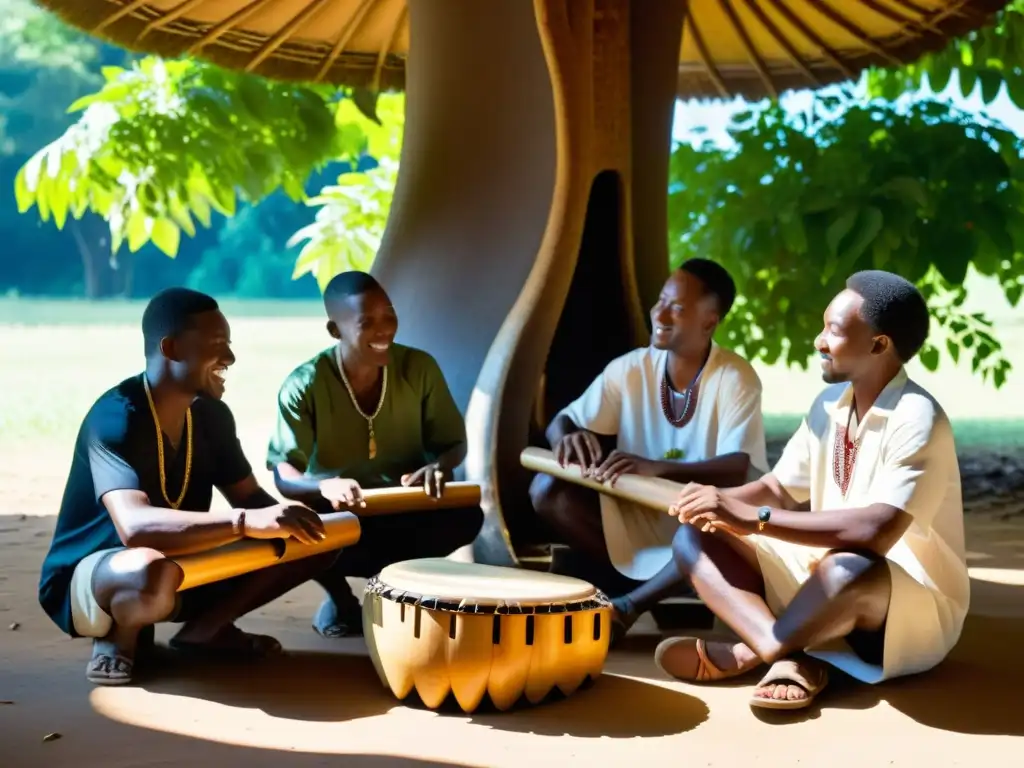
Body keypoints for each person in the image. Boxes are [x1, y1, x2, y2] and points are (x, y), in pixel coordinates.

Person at [656, 270, 968, 712]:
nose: (818, 341)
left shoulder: (918, 417)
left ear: (879, 345)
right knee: (694, 536)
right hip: (819, 579)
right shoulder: (829, 404)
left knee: (850, 567)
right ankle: (785, 651)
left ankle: (753, 651)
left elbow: (876, 531)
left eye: (834, 331)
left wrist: (754, 519)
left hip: (903, 605)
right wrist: (711, 503)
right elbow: (778, 489)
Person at [38, 288, 336, 687]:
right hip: (100, 574)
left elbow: (250, 498)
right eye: (217, 346)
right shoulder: (115, 418)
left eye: (228, 345)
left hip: (185, 564)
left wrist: (308, 528)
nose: (229, 359)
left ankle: (206, 630)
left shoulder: (211, 415)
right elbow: (136, 529)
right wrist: (246, 522)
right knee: (148, 569)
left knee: (325, 533)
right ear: (172, 348)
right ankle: (116, 638)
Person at [530, 259, 768, 641]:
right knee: (547, 490)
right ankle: (657, 584)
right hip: (636, 513)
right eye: (661, 301)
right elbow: (565, 418)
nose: (659, 313)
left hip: (702, 522)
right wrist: (565, 437)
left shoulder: (735, 377)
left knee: (708, 533)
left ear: (709, 321)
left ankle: (627, 607)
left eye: (677, 307)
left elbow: (737, 468)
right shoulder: (630, 369)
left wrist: (655, 468)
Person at [267, 270, 483, 639]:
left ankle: (394, 590)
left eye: (390, 315)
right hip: (342, 515)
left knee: (466, 515)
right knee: (296, 526)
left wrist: (437, 467)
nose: (385, 330)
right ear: (335, 331)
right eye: (368, 322)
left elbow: (452, 445)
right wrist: (324, 486)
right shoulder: (304, 384)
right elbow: (283, 474)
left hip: (403, 508)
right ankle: (341, 599)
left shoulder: (419, 368)